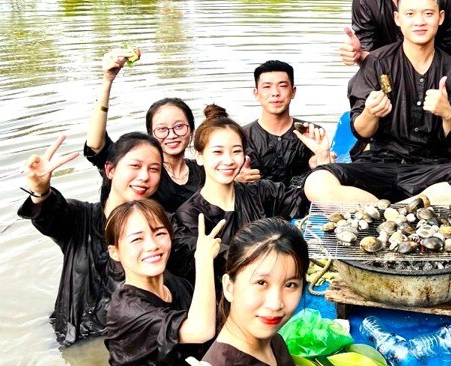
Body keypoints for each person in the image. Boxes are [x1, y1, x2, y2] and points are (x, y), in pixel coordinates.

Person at [304, 0, 451, 205]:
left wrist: (447, 114)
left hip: (431, 169)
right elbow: (360, 132)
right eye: (410, 14)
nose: (419, 22)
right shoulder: (376, 63)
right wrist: (370, 113)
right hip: (378, 164)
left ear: (440, 17)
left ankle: (391, 210)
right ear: (398, 19)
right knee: (316, 182)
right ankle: (400, 209)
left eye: (428, 13)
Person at [174, 217, 318, 366]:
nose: (275, 303)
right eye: (261, 283)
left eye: (290, 284)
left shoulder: (274, 342)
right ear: (229, 287)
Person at [18, 132, 163, 345]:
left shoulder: (161, 228)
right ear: (110, 170)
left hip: (132, 336)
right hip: (76, 338)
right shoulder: (80, 218)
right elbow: (49, 216)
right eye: (135, 166)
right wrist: (40, 191)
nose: (144, 176)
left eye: (154, 169)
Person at [104, 200, 225, 366]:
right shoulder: (126, 309)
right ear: (115, 252)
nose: (152, 246)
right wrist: (204, 260)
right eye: (137, 239)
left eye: (160, 233)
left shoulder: (177, 284)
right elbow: (201, 331)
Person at [174, 106, 301, 279]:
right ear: (199, 156)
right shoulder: (189, 215)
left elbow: (301, 198)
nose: (228, 161)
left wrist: (322, 161)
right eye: (217, 152)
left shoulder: (261, 192)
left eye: (236, 151)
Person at [85, 47, 203, 213]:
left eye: (179, 127)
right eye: (162, 129)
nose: (172, 135)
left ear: (191, 130)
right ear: (151, 135)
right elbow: (95, 144)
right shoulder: (142, 172)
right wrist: (107, 80)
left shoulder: (202, 172)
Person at [239, 60, 332, 198]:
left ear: (293, 91)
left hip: (304, 207)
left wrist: (324, 161)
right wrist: (235, 180)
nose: (275, 93)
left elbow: (327, 183)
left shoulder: (311, 133)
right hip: (257, 209)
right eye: (267, 87)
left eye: (282, 86)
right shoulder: (241, 137)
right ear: (256, 93)